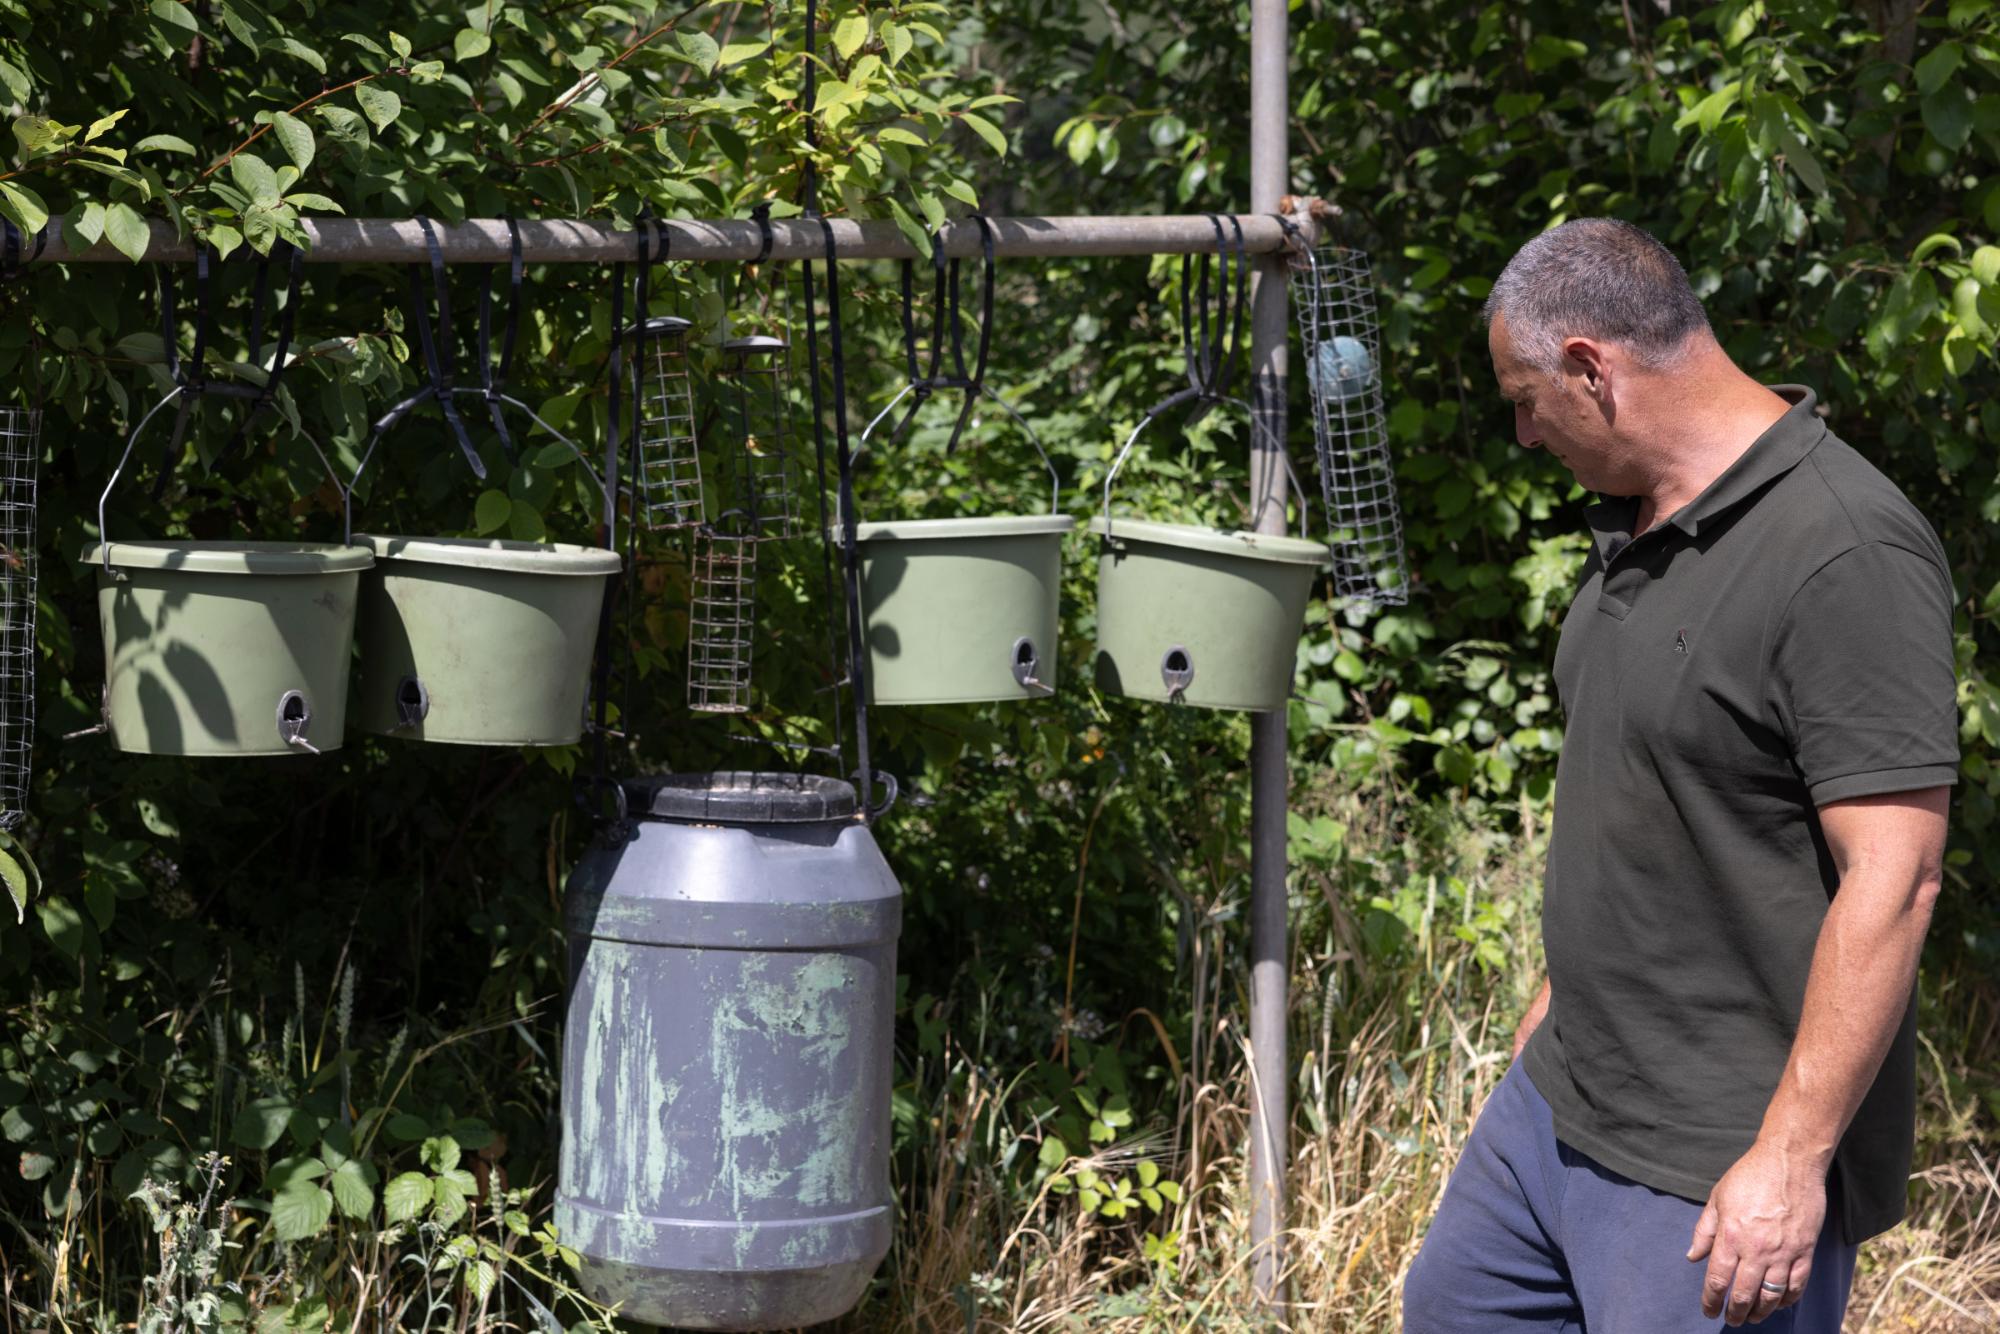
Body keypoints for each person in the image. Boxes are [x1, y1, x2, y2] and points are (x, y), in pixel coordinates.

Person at [1401, 218, 1957, 1332]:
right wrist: (1546, 1025)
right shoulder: (1641, 522)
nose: (1519, 433)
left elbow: (1893, 880)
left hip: (1709, 1164)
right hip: (1554, 1108)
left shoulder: (1841, 549)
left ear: (1588, 369)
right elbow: (1646, 796)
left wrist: (1788, 1158)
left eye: (1523, 397)